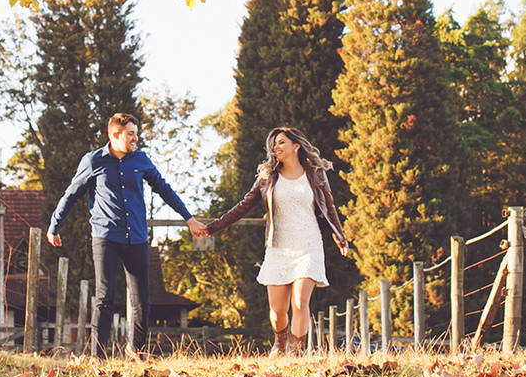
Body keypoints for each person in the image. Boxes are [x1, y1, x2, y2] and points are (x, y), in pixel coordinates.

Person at [47, 112, 206, 359]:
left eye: (136, 134)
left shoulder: (141, 160)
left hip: (137, 238)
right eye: (131, 134)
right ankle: (98, 356)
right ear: (115, 135)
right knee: (104, 298)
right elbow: (71, 195)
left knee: (142, 301)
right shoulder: (93, 161)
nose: (135, 139)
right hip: (106, 237)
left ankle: (137, 350)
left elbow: (164, 190)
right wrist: (54, 226)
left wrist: (189, 218)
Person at [202, 127, 349, 356]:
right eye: (274, 144)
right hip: (279, 247)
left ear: (296, 146)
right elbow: (243, 206)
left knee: (300, 301)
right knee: (278, 311)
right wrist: (212, 227)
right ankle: (280, 342)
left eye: (281, 142)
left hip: (309, 244)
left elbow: (329, 207)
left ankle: (296, 352)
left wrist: (339, 236)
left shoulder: (316, 174)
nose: (276, 147)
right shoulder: (268, 178)